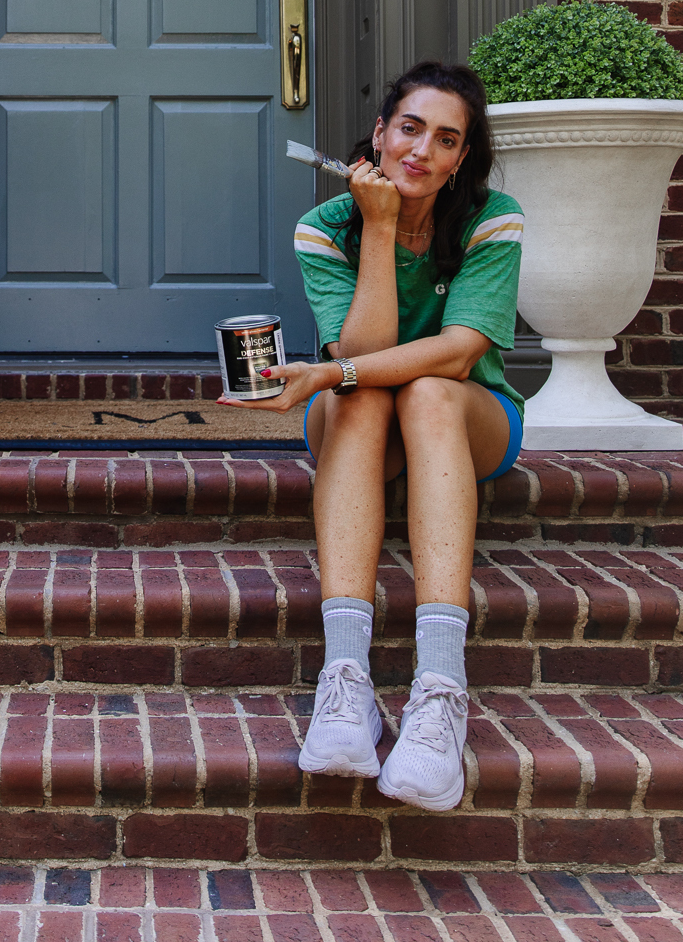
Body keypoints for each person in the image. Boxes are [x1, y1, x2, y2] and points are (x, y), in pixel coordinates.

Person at [220, 60, 524, 812]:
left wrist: (330, 375)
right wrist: (380, 228)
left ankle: (439, 691)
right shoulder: (324, 229)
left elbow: (459, 353)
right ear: (379, 135)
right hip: (359, 425)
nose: (421, 151)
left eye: (445, 140)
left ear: (461, 158)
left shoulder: (493, 218)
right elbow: (356, 353)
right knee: (361, 397)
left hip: (466, 420)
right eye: (409, 129)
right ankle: (345, 686)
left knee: (423, 390)